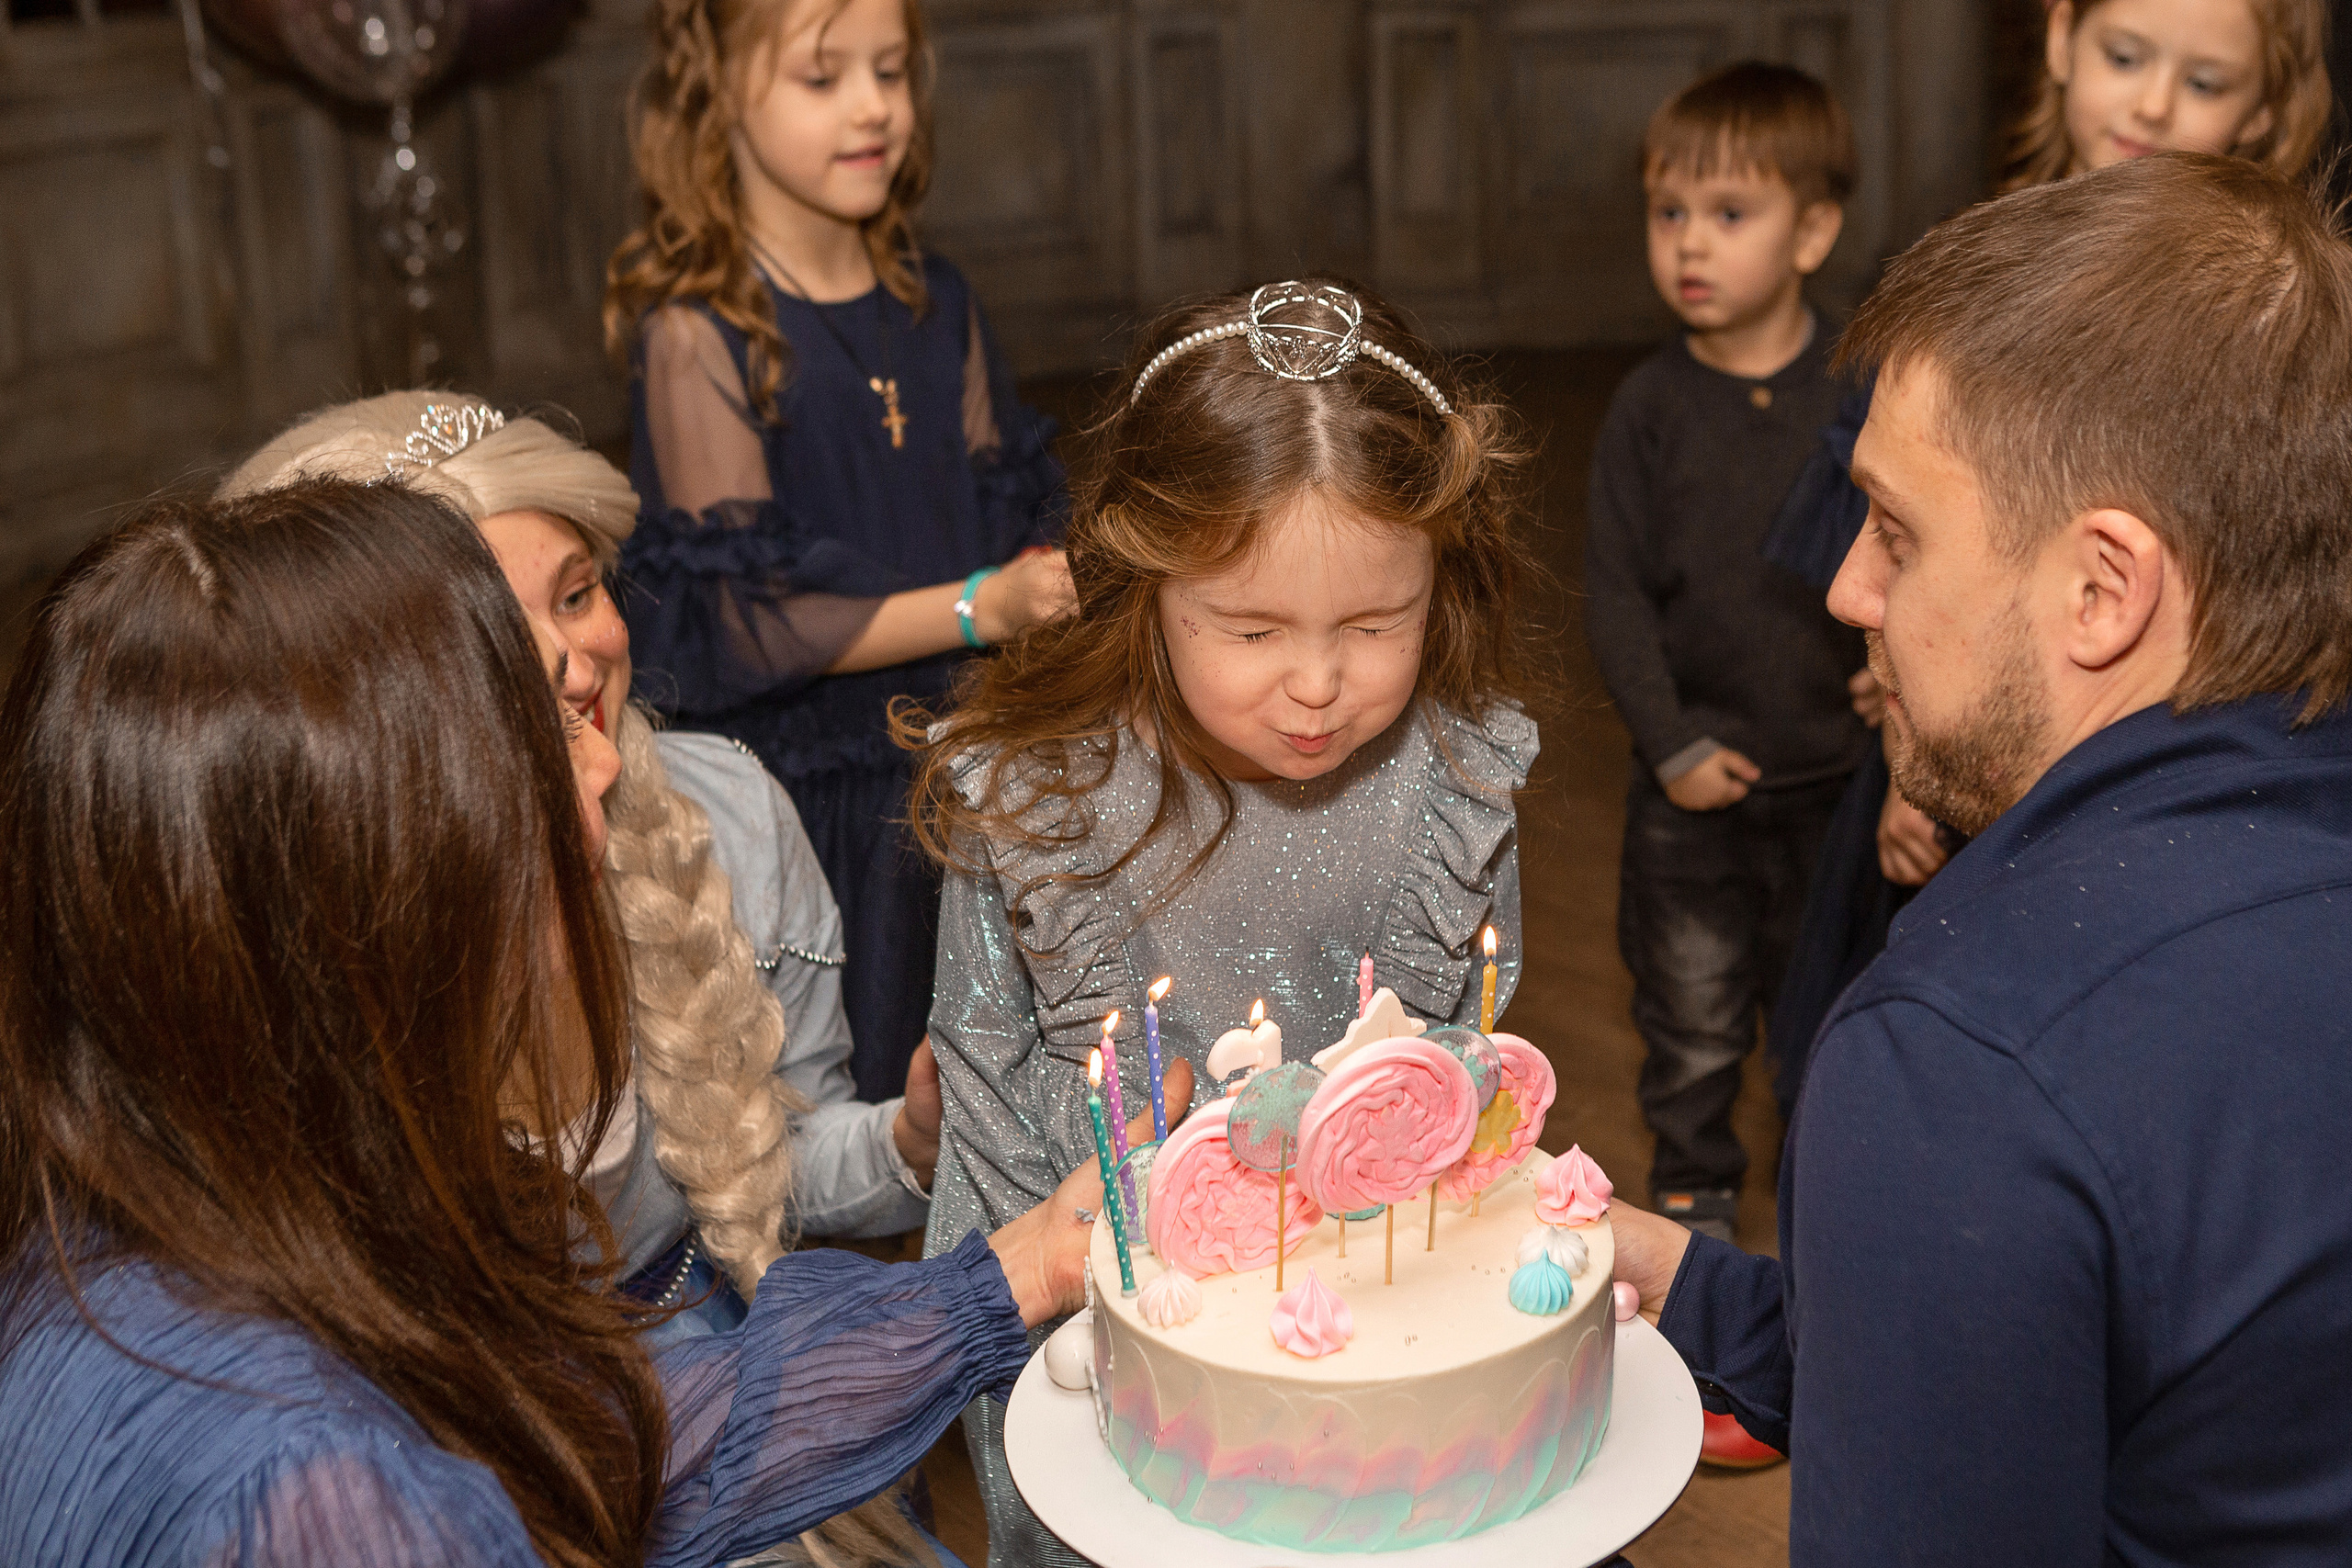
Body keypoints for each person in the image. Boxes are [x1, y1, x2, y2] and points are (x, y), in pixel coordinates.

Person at [0, 479, 1183, 1568]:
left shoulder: (169, 1199)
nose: (607, 767)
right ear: (381, 900)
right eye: (533, 745)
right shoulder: (326, 1495)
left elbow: (594, 1473)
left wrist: (1010, 1272)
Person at [1612, 153, 2352, 1562]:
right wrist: (1700, 1295)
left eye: (1894, 529)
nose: (1847, 588)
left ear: (2100, 587)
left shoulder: (1956, 1062)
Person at [904, 277, 1545, 1565]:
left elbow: (1466, 1053)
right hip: (1106, 1340)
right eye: (1248, 628)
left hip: (1370, 1339)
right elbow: (982, 1102)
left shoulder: (1459, 786)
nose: (1316, 683)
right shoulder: (1039, 794)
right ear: (1142, 578)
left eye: (1376, 624)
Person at [222, 393, 935, 1295]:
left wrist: (906, 1144)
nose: (575, 664)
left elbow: (777, 1152)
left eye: (576, 593)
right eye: (490, 640)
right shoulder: (313, 933)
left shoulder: (730, 811)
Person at [1761, 0, 2332, 1108]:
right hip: (1931, 748)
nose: (2153, 101)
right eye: (2126, 56)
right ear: (2062, 38)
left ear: (2266, 107)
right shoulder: (1969, 273)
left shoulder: (2272, 325)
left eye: (2205, 81)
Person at [605, 0, 1074, 1108]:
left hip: (963, 773)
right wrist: (981, 608)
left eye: (891, 71)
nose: (874, 108)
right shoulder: (702, 333)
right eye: (823, 79)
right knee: (863, 1120)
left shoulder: (935, 298)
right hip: (825, 810)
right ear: (720, 91)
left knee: (1006, 1101)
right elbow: (754, 619)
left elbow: (1004, 503)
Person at [1580, 62, 1870, 1260]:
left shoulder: (1863, 385)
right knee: (1693, 1016)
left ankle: (1834, 1200)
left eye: (1730, 214)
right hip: (1693, 793)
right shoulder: (1651, 410)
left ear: (1813, 230)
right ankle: (1695, 1191)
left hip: (1842, 783)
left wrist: (1896, 676)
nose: (1691, 243)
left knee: (1836, 1016)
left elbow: (1921, 547)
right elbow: (1615, 597)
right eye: (1669, 213)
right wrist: (1673, 739)